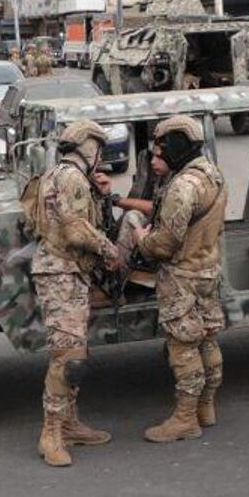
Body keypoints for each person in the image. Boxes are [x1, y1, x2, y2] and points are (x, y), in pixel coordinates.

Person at [114, 116, 228, 443]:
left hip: (181, 277)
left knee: (183, 346)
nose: (155, 157)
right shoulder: (212, 174)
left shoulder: (182, 187)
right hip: (206, 270)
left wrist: (139, 238)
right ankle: (206, 407)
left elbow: (164, 243)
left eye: (160, 149)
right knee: (207, 339)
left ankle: (185, 418)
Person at [32, 119, 126, 466]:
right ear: (89, 147)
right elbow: (75, 231)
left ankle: (68, 424)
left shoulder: (60, 175)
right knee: (68, 357)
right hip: (62, 272)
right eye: (98, 148)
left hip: (66, 272)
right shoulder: (71, 178)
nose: (100, 155)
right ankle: (52, 433)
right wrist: (109, 250)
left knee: (73, 353)